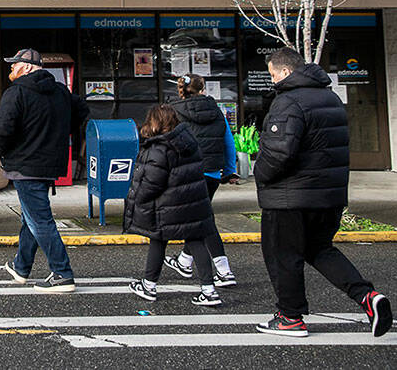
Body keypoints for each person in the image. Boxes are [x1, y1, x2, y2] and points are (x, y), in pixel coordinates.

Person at [254, 47, 391, 338]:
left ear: (286, 72)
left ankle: (290, 318)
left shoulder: (288, 102)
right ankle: (368, 298)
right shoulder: (330, 98)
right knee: (320, 249)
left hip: (290, 197)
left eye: (273, 74)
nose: (272, 80)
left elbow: (279, 153)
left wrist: (260, 176)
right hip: (327, 196)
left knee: (283, 255)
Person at [0, 47, 89, 293]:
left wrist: (4, 153)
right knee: (31, 216)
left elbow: (3, 130)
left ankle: (62, 273)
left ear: (26, 67)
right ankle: (21, 266)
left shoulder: (17, 93)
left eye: (14, 65)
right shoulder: (60, 91)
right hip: (49, 164)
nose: (11, 68)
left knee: (40, 220)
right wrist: (60, 132)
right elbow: (82, 110)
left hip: (25, 165)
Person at [124, 104, 223, 307]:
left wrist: (137, 200)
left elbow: (151, 182)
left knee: (158, 240)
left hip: (166, 205)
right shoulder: (188, 141)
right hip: (191, 202)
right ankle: (209, 290)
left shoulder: (159, 147)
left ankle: (149, 285)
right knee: (196, 241)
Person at [164, 73, 238, 286]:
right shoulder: (216, 110)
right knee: (198, 217)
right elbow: (228, 143)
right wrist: (230, 170)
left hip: (187, 174)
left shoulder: (174, 111)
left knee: (203, 221)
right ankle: (185, 261)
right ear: (203, 88)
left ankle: (224, 271)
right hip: (213, 173)